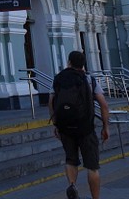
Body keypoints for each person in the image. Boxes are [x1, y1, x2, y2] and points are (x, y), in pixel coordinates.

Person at [50, 51, 110, 199]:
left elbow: (51, 102)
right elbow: (103, 105)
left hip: (65, 127)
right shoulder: (89, 79)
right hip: (86, 128)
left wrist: (56, 123)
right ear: (83, 64)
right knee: (92, 167)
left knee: (71, 160)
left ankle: (72, 185)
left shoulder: (59, 79)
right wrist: (105, 126)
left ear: (69, 62)